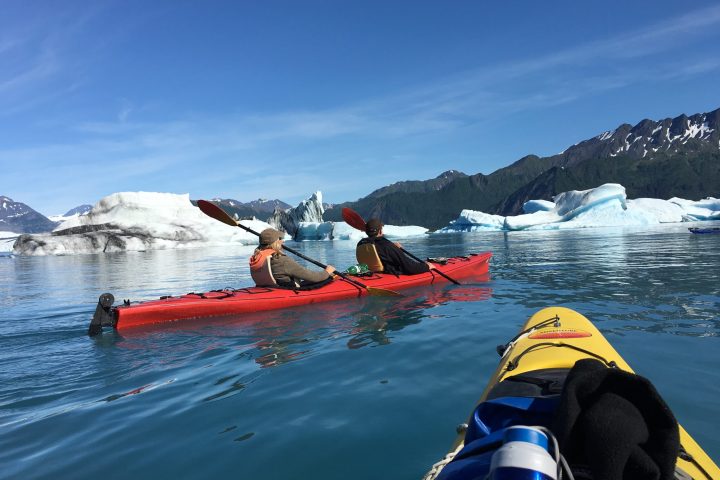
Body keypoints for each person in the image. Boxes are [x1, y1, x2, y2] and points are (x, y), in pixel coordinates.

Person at [250, 228, 335, 288]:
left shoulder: (256, 258)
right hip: (288, 290)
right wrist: (327, 272)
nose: (282, 241)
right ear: (275, 242)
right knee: (328, 278)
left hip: (269, 288)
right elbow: (313, 277)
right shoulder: (281, 260)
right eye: (280, 238)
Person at [356, 218, 435, 275]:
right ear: (380, 230)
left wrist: (395, 249)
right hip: (389, 274)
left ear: (367, 232)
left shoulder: (362, 243)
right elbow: (410, 267)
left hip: (371, 273)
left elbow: (380, 252)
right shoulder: (386, 246)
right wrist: (426, 266)